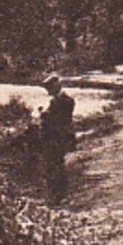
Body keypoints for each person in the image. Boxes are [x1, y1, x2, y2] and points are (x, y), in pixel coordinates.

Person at [39, 74, 76, 204]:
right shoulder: (57, 101)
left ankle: (60, 195)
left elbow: (61, 120)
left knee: (56, 166)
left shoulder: (65, 101)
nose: (48, 92)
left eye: (49, 88)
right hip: (56, 138)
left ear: (56, 87)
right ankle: (57, 195)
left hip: (58, 138)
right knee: (55, 165)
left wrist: (45, 116)